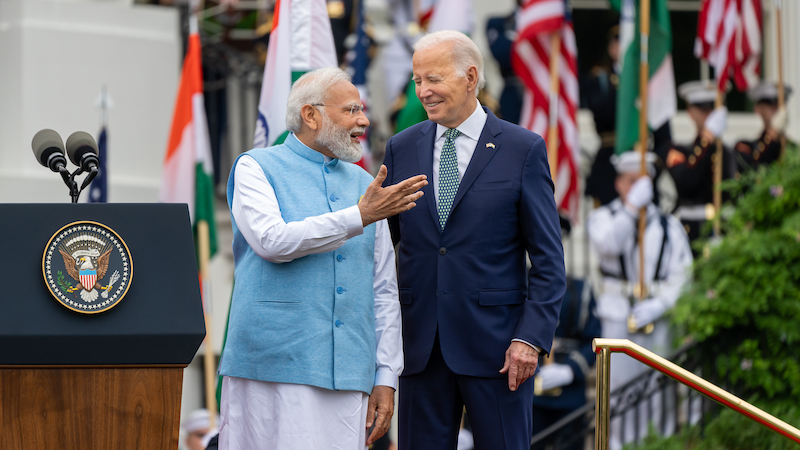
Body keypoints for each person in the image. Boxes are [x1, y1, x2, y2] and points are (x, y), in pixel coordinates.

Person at [218, 67, 428, 450]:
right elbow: (272, 241)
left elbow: (382, 288)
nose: (364, 120)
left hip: (349, 373)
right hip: (270, 366)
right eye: (350, 110)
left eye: (361, 110)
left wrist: (386, 375)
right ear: (310, 116)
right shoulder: (255, 166)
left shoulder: (368, 185)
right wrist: (358, 217)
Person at [383, 30, 566, 450]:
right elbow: (383, 248)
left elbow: (549, 262)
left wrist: (530, 338)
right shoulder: (401, 148)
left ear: (470, 76)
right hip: (419, 350)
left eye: (433, 80)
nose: (423, 92)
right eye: (417, 81)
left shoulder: (523, 149)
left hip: (501, 353)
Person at [587, 151, 693, 449]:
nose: (637, 188)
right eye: (631, 182)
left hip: (658, 321)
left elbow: (685, 276)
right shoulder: (602, 218)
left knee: (660, 394)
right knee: (619, 394)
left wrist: (661, 304)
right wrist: (632, 208)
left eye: (642, 182)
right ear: (620, 183)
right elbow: (609, 243)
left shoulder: (669, 226)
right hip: (619, 318)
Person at [531, 278, 601, 450]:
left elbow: (594, 341)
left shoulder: (581, 288)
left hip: (570, 393)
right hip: (530, 389)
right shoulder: (523, 283)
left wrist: (570, 370)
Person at [665, 80, 735, 245]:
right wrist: (707, 139)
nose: (709, 115)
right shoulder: (679, 151)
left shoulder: (727, 152)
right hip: (693, 233)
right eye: (703, 110)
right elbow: (687, 182)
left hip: (724, 228)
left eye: (713, 110)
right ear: (690, 112)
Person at [735, 81, 792, 171]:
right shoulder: (746, 147)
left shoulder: (794, 148)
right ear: (757, 108)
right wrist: (773, 133)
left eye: (781, 103)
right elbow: (754, 172)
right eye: (770, 103)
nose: (777, 108)